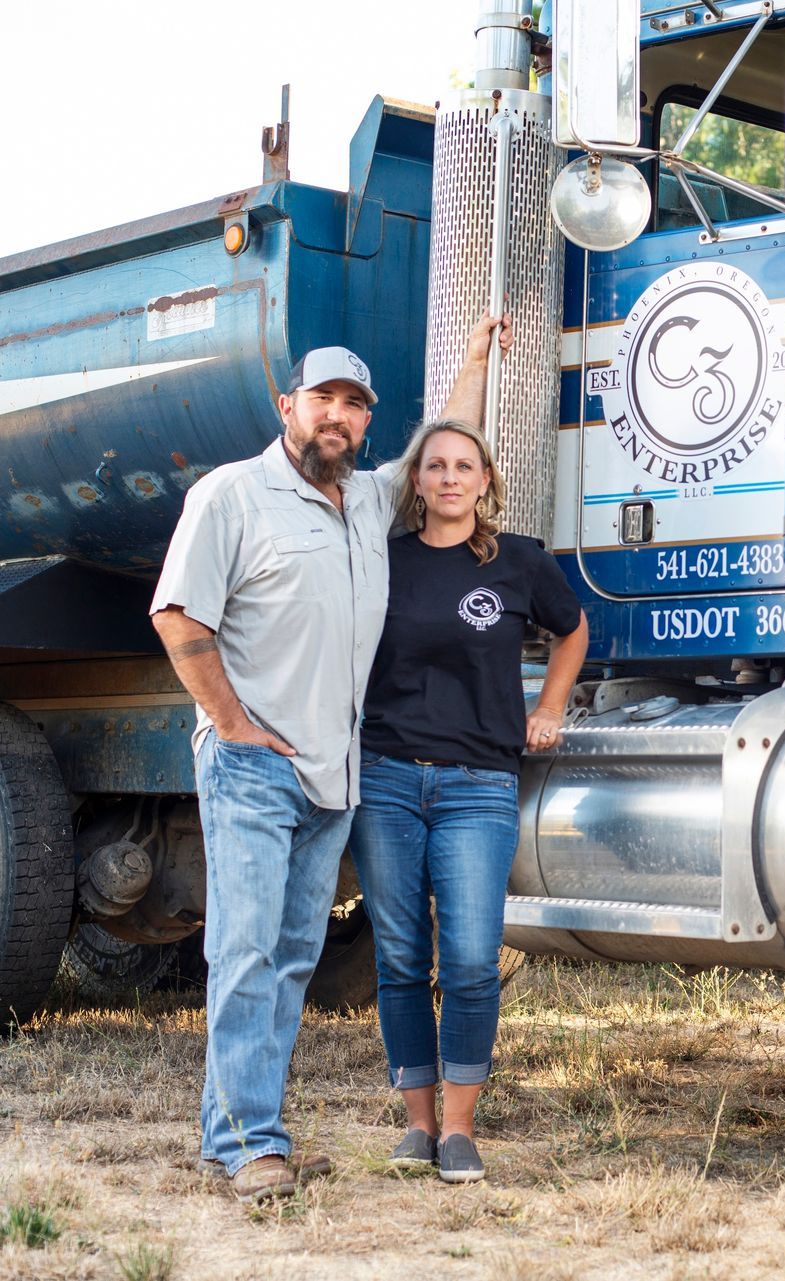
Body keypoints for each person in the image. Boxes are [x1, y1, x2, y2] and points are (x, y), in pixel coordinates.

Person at [150, 317, 508, 1205]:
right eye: (323, 400)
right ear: (289, 406)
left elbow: (439, 447)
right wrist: (230, 723)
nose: (337, 418)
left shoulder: (373, 502)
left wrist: (470, 365)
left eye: (354, 405)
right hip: (254, 767)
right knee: (244, 952)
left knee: (288, 960)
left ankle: (232, 1134)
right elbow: (178, 616)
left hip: (333, 777)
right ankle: (249, 1143)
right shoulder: (233, 495)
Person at [352, 414, 589, 1183]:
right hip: (385, 777)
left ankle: (459, 1129)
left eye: (465, 466)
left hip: (478, 784)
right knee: (398, 957)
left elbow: (575, 629)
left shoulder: (518, 562)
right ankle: (417, 1127)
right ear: (415, 482)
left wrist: (550, 705)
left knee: (470, 962)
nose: (450, 477)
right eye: (435, 466)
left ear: (486, 481)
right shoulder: (381, 561)